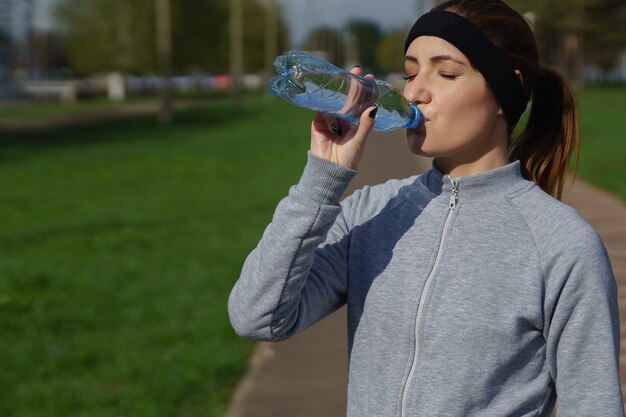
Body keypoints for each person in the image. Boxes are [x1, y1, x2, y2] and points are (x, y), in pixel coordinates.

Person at [228, 0, 625, 415]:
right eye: (411, 72)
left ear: (504, 93)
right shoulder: (372, 211)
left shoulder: (561, 243)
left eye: (447, 72)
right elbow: (258, 317)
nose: (414, 92)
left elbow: (593, 404)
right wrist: (321, 182)